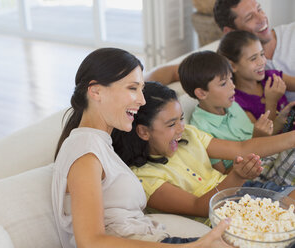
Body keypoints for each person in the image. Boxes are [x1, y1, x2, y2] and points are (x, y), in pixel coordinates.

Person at [51, 47, 232, 248]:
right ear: (95, 91)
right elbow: (90, 242)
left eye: (141, 89)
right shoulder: (85, 152)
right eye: (132, 88)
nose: (142, 100)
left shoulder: (99, 144)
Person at [112, 81, 295, 222]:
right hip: (226, 218)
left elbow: (241, 148)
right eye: (171, 124)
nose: (180, 128)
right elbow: (198, 206)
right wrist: (237, 177)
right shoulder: (145, 178)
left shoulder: (189, 135)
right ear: (144, 131)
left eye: (181, 119)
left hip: (249, 194)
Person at [181, 50, 295, 186]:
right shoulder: (201, 128)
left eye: (231, 79)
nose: (233, 86)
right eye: (223, 83)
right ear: (201, 93)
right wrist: (256, 139)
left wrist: (279, 121)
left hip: (268, 158)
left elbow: (262, 137)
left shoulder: (232, 105)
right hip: (252, 176)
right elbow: (223, 176)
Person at [214, 0, 295, 101]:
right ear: (230, 31)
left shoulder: (292, 33)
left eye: (259, 9)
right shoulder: (240, 71)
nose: (262, 19)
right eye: (249, 17)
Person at [217, 30, 295, 133]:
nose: (262, 62)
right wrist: (271, 102)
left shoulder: (271, 77)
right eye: (253, 58)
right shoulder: (236, 102)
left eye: (262, 54)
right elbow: (263, 138)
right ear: (232, 66)